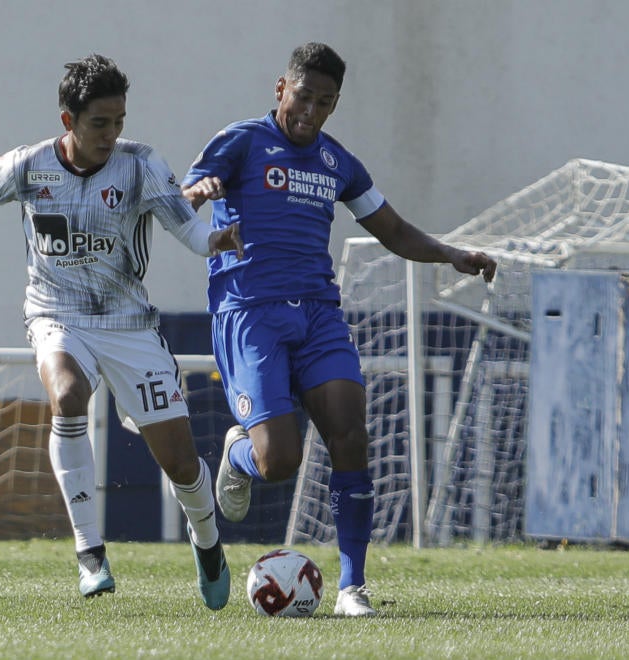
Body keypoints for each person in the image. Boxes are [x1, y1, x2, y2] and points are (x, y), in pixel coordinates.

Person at [0, 54, 242, 609]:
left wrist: (216, 241)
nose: (111, 135)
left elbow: (190, 233)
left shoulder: (140, 165)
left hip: (129, 325)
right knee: (66, 395)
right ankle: (90, 553)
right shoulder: (28, 166)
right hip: (56, 314)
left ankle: (206, 542)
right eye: (99, 124)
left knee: (180, 462)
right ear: (68, 121)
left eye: (119, 122)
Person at [182, 42, 498, 617]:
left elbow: (395, 231)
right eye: (303, 97)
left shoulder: (337, 163)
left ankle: (352, 587)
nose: (310, 112)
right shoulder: (243, 141)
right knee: (280, 461)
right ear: (282, 88)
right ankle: (239, 456)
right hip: (251, 313)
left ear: (334, 105)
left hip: (319, 316)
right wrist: (201, 191)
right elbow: (190, 189)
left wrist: (451, 254)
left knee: (352, 434)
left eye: (324, 103)